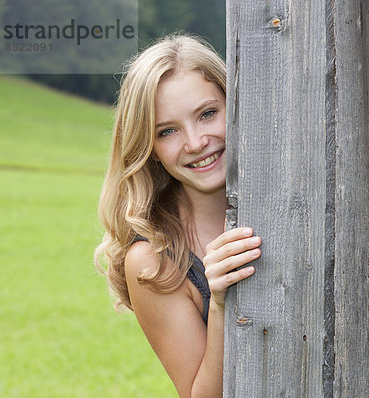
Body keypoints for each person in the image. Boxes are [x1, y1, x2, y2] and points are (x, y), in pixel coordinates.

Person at [94, 34, 261, 397]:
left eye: (207, 114)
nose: (196, 142)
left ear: (236, 105)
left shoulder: (293, 201)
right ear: (149, 148)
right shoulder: (154, 262)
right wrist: (218, 303)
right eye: (168, 131)